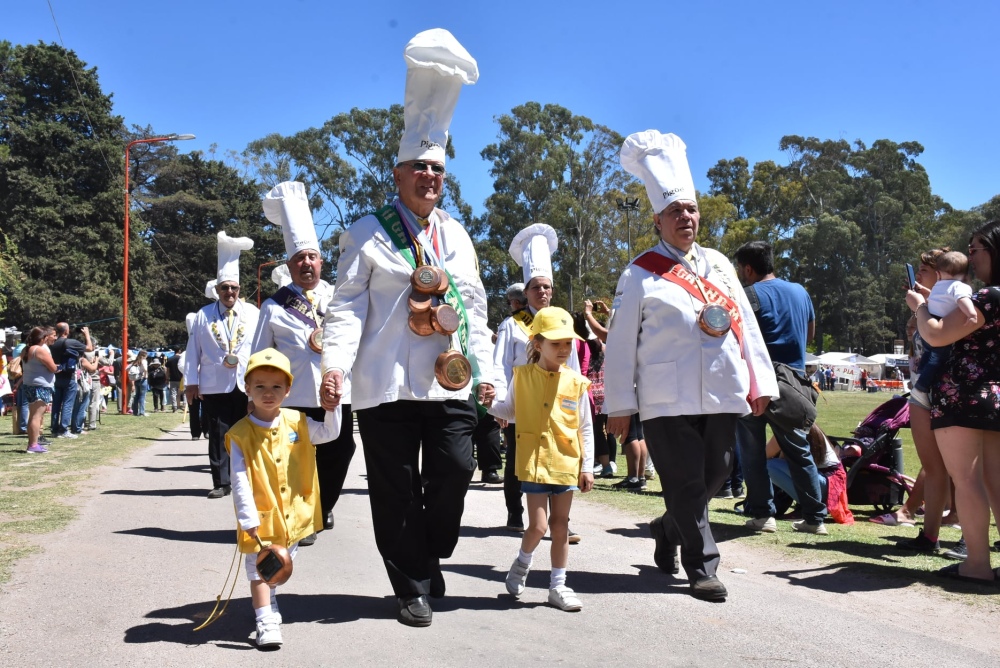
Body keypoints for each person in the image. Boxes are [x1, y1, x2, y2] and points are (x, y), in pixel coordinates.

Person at [319, 29, 494, 628]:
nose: (428, 178)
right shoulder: (365, 232)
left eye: (436, 171)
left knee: (454, 471)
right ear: (396, 174)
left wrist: (488, 373)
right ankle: (411, 584)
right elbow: (344, 307)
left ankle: (430, 548)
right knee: (394, 490)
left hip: (449, 381)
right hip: (386, 383)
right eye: (418, 168)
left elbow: (474, 305)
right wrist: (335, 367)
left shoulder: (459, 235)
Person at [605, 130, 777, 602]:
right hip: (664, 396)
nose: (686, 217)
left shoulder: (721, 265)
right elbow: (619, 345)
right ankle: (703, 567)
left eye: (691, 210)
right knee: (683, 480)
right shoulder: (638, 272)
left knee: (716, 476)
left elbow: (746, 329)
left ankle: (667, 527)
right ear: (658, 219)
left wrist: (761, 382)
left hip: (723, 390)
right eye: (676, 212)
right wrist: (619, 404)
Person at [253, 181, 357, 546]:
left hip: (335, 394)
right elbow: (260, 354)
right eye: (299, 259)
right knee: (298, 461)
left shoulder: (340, 297)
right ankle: (306, 516)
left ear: (321, 261)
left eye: (312, 257)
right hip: (294, 398)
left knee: (341, 452)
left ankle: (323, 504)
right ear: (289, 264)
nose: (306, 264)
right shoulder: (274, 307)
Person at [226, 348, 342, 648]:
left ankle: (270, 601)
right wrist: (247, 518)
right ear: (247, 389)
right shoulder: (241, 434)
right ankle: (265, 620)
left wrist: (333, 407)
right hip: (260, 519)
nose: (268, 393)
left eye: (276, 386)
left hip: (293, 518)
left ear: (288, 390)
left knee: (277, 567)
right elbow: (239, 480)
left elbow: (329, 433)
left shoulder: (298, 422)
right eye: (260, 386)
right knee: (260, 570)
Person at [906, 220, 1000, 583]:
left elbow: (938, 335)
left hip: (964, 395)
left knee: (967, 480)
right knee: (994, 482)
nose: (969, 256)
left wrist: (919, 307)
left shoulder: (988, 296)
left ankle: (976, 564)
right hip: (992, 395)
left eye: (975, 248)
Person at [491, 307, 595, 611]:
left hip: (566, 463)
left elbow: (584, 427)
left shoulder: (577, 383)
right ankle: (522, 562)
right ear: (537, 343)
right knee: (537, 527)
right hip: (534, 463)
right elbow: (508, 411)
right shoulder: (521, 376)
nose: (563, 350)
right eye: (555, 343)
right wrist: (487, 403)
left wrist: (586, 466)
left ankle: (558, 586)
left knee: (560, 525)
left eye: (567, 343)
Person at [733, 240, 828, 535]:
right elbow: (809, 332)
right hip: (795, 382)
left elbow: (740, 337)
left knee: (752, 449)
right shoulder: (800, 291)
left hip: (759, 380)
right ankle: (815, 517)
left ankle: (763, 514)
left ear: (748, 268)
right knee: (798, 450)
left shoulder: (748, 294)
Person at [494, 226, 582, 531]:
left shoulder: (562, 322)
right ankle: (514, 512)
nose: (542, 292)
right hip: (521, 402)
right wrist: (501, 404)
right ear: (526, 292)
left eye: (546, 287)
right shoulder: (512, 324)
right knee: (519, 461)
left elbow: (571, 365)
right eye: (535, 287)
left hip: (557, 405)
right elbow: (502, 365)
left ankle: (561, 520)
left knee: (559, 459)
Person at [185, 231, 260, 498]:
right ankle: (221, 482)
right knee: (218, 435)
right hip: (214, 384)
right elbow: (192, 349)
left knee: (248, 433)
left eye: (234, 288)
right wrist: (191, 383)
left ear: (240, 290)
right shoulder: (203, 316)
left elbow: (261, 348)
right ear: (217, 290)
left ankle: (247, 479)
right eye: (225, 288)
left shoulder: (252, 314)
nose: (230, 292)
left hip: (246, 384)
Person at [911, 250, 976, 406]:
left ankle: (920, 376)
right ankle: (921, 387)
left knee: (930, 355)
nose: (919, 273)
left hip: (930, 323)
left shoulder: (938, 287)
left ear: (938, 274)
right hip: (941, 327)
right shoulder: (960, 286)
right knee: (937, 356)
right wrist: (972, 314)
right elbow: (962, 300)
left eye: (924, 270)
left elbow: (936, 298)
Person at [765, 424, 854, 524]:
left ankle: (808, 506)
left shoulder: (789, 428)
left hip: (828, 482)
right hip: (828, 481)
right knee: (772, 465)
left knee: (768, 465)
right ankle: (809, 505)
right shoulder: (804, 425)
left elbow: (765, 455)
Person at [49, 323, 92, 438]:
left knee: (56, 404)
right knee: (68, 404)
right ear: (66, 331)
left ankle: (54, 429)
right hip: (69, 376)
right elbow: (89, 348)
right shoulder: (70, 342)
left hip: (56, 376)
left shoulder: (52, 344)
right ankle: (64, 430)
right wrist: (87, 335)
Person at [20, 327, 57, 453]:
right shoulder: (39, 350)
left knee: (33, 415)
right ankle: (33, 445)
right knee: (36, 416)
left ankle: (32, 443)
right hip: (40, 386)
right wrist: (58, 368)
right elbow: (52, 367)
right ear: (42, 338)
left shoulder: (26, 350)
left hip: (29, 384)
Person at [128, 350, 148, 416]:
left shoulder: (135, 361)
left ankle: (135, 411)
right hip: (143, 379)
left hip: (136, 379)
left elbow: (127, 368)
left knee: (136, 396)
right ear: (144, 356)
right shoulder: (144, 361)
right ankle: (142, 412)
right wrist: (145, 375)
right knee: (142, 396)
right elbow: (145, 369)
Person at [165, 348, 183, 412]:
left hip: (173, 379)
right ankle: (184, 405)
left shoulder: (170, 359)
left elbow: (167, 371)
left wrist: (167, 378)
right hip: (181, 378)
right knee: (183, 393)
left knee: (173, 393)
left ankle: (174, 407)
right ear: (179, 351)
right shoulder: (182, 359)